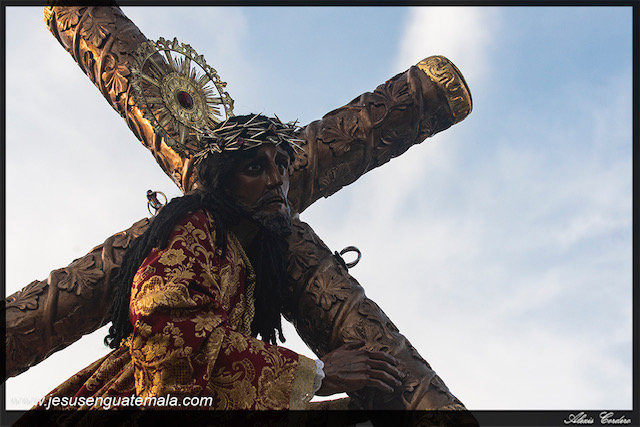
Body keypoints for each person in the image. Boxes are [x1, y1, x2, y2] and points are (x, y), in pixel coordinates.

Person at [31, 114, 404, 412]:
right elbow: (170, 334)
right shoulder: (197, 226)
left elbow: (221, 387)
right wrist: (317, 375)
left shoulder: (245, 262)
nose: (276, 180)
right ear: (224, 183)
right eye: (255, 168)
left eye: (282, 164)